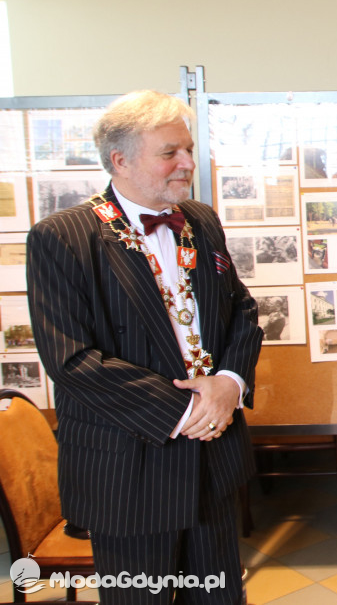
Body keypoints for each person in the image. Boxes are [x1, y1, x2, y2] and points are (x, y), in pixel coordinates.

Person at [27, 90, 263, 605]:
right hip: (128, 470)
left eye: (189, 149)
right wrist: (190, 408)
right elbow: (71, 359)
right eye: (170, 153)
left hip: (212, 459)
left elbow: (241, 311)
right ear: (121, 159)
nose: (187, 164)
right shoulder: (61, 237)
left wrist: (229, 384)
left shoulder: (200, 220)